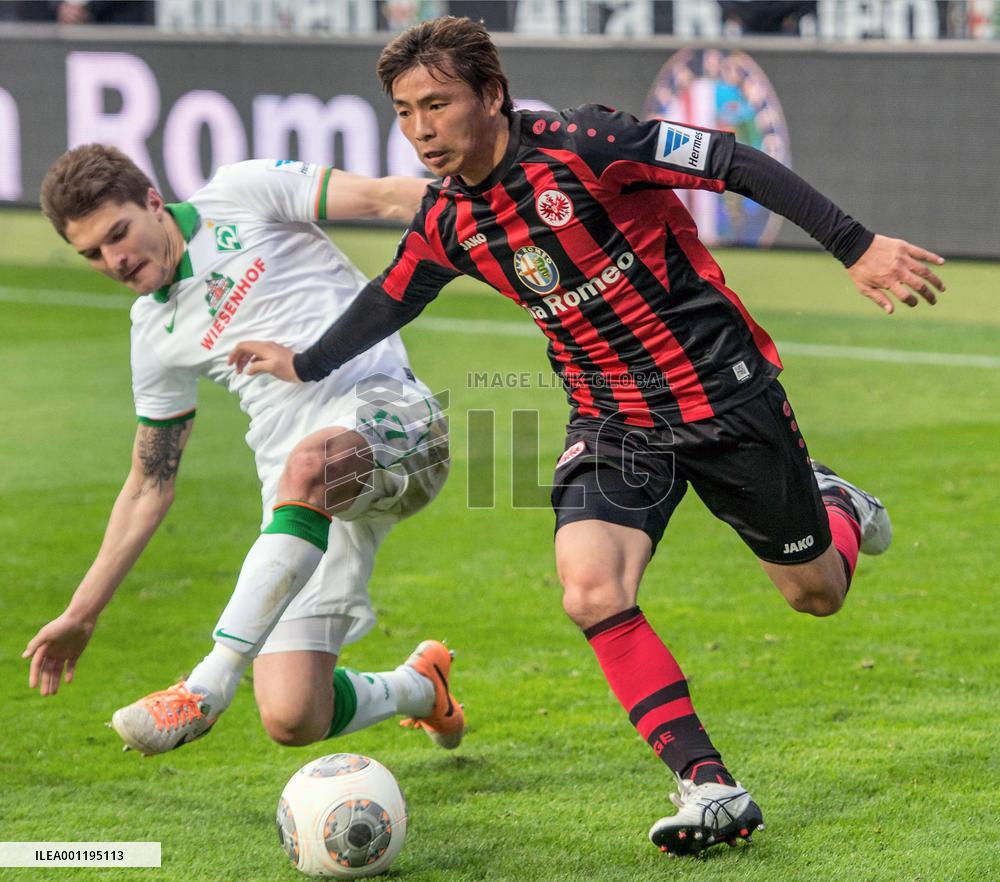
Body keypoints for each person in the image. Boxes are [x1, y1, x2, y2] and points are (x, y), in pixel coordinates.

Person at [228, 17, 945, 856]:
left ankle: (836, 504)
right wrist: (306, 363)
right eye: (404, 112)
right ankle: (708, 784)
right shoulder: (448, 222)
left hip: (723, 393)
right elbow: (392, 296)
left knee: (815, 592)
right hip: (612, 417)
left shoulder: (590, 144)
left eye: (437, 104)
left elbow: (734, 162)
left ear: (491, 95)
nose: (422, 130)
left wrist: (854, 246)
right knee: (590, 589)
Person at [22, 145, 462, 758]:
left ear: (154, 202)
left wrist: (509, 207)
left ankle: (209, 683)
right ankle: (420, 688)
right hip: (301, 504)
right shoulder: (153, 333)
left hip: (392, 417)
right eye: (92, 253)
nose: (113, 259)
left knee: (308, 465)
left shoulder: (241, 192)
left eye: (118, 234)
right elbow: (150, 482)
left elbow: (389, 197)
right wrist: (82, 611)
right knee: (293, 714)